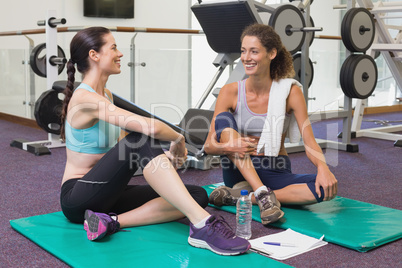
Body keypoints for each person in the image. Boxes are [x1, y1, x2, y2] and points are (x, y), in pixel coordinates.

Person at [59, 26, 250, 256]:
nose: (120, 54)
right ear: (94, 55)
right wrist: (178, 138)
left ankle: (111, 222)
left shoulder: (106, 96)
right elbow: (148, 129)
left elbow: (119, 151)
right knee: (140, 138)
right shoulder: (84, 98)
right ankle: (202, 225)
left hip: (107, 194)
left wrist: (162, 159)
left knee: (198, 195)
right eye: (114, 47)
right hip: (77, 196)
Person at [205, 24, 338, 225]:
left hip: (275, 166)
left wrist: (323, 167)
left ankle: (244, 197)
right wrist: (228, 146)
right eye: (243, 51)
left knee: (322, 188)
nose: (246, 57)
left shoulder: (290, 92)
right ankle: (261, 192)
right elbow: (208, 146)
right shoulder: (230, 92)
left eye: (254, 51)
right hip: (238, 168)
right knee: (224, 119)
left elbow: (309, 141)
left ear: (272, 53)